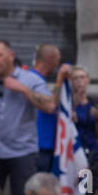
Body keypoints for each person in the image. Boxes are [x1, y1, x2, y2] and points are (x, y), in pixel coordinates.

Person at [0, 40, 56, 195]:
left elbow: (50, 106)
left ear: (11, 56)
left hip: (22, 152)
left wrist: (23, 89)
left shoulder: (30, 80)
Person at [27, 44, 68, 173]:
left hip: (48, 145)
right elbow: (51, 106)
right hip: (38, 146)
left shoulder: (39, 81)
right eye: (58, 59)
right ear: (51, 59)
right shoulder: (30, 79)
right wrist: (60, 80)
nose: (58, 64)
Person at [70, 66, 98, 156]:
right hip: (73, 149)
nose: (79, 81)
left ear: (88, 80)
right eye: (75, 78)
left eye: (82, 77)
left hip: (91, 149)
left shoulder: (94, 103)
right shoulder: (67, 104)